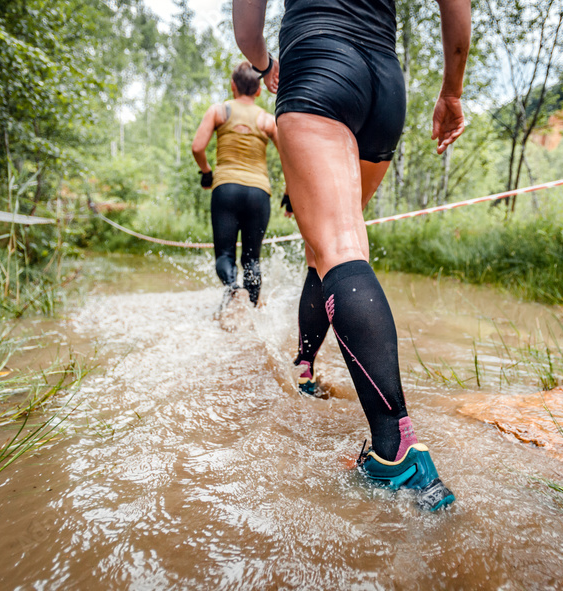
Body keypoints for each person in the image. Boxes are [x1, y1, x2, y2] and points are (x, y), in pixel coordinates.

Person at [232, 0, 470, 511]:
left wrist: (268, 64)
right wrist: (451, 92)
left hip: (318, 62)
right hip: (385, 83)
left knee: (337, 247)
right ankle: (305, 367)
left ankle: (395, 452)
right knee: (332, 248)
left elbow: (248, 31)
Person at [191, 62, 283, 307]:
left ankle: (233, 292)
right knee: (252, 259)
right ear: (259, 91)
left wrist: (207, 172)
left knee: (225, 255)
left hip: (226, 189)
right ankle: (252, 311)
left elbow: (197, 147)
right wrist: (291, 193)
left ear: (233, 86)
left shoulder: (219, 111)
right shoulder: (267, 119)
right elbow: (289, 159)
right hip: (259, 192)